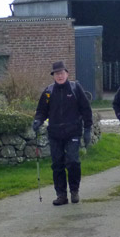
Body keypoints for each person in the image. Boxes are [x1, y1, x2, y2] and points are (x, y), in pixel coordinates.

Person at [33, 61, 93, 206]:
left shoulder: (75, 88)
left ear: (67, 73)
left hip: (73, 132)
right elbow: (41, 111)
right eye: (56, 74)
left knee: (73, 161)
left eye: (61, 73)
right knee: (57, 164)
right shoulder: (48, 92)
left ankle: (74, 191)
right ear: (53, 76)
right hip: (54, 133)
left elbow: (86, 109)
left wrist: (88, 129)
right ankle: (61, 195)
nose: (59, 76)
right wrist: (37, 121)